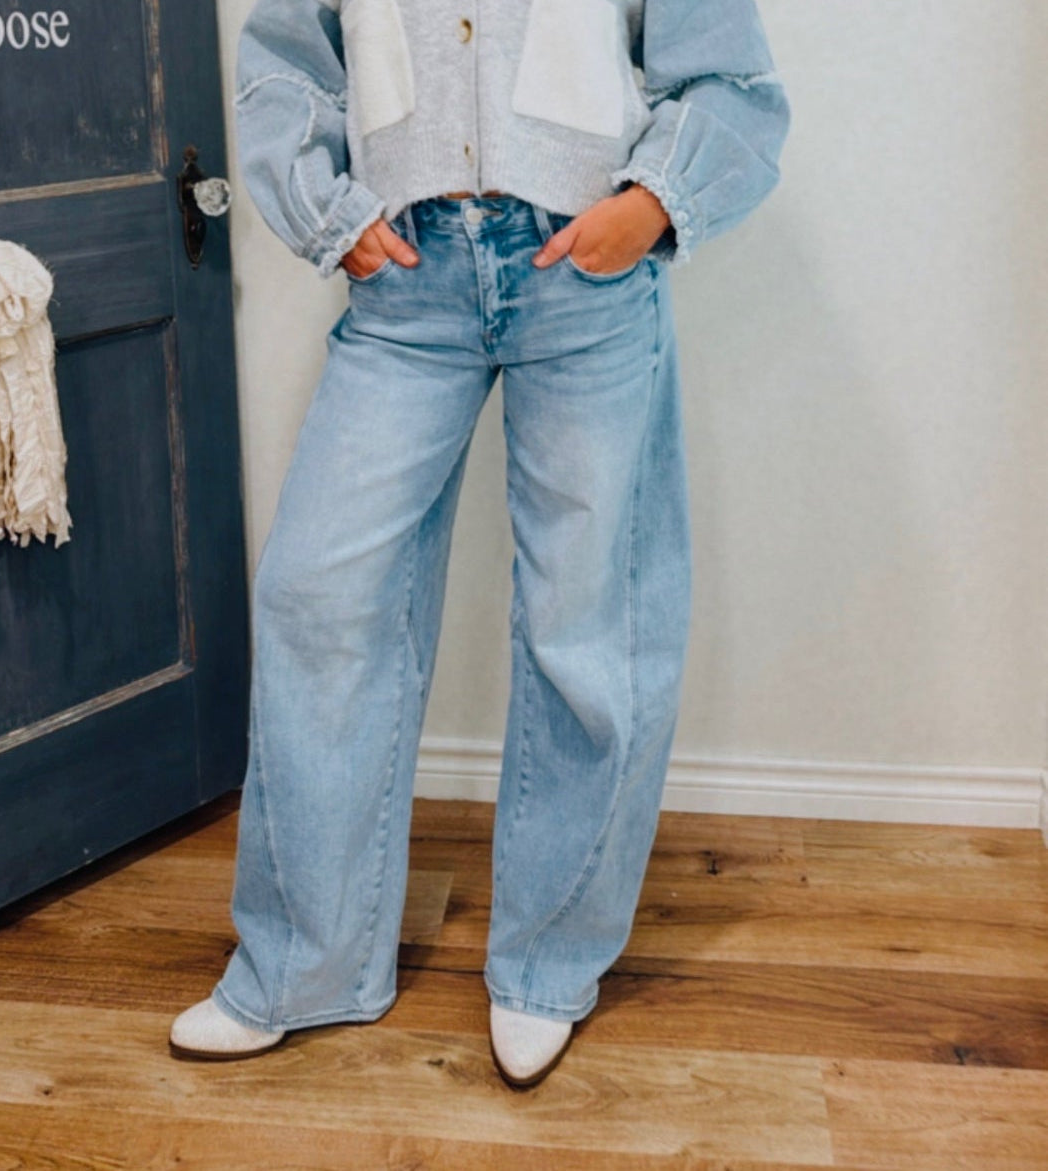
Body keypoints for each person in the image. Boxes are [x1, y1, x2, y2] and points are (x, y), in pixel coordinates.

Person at [170, 0, 790, 1088]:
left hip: (583, 277)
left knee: (585, 619)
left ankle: (548, 965)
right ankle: (303, 963)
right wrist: (325, 209)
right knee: (320, 595)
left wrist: (652, 204)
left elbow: (732, 83)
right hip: (408, 283)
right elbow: (283, 64)